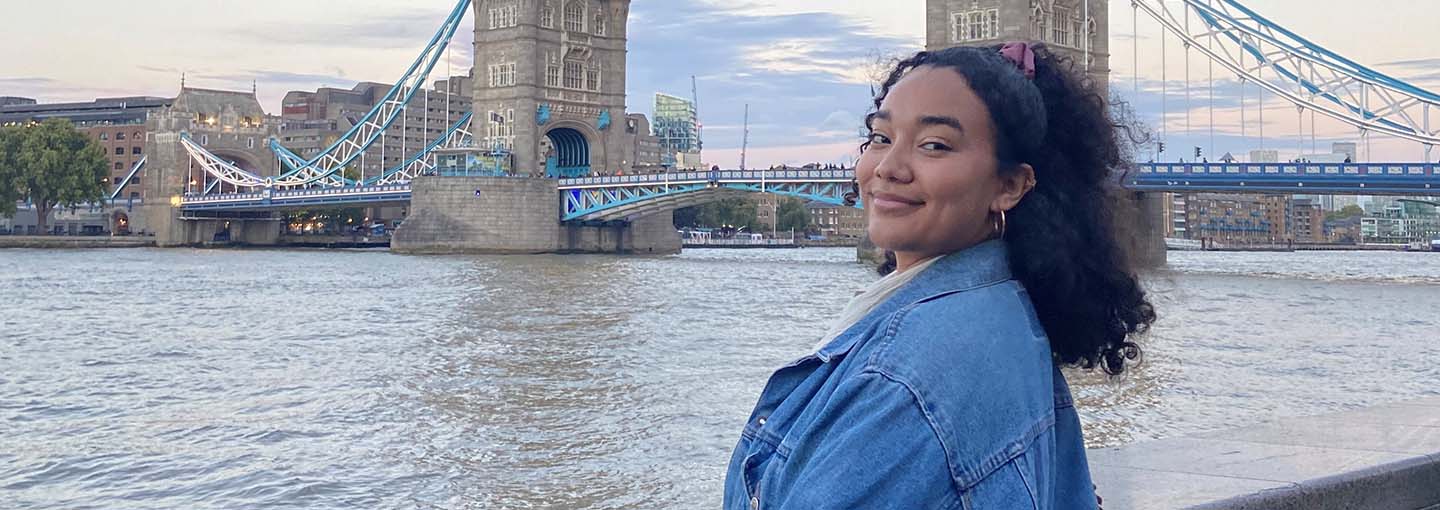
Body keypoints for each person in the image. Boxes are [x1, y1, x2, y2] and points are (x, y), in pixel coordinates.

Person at [724, 42, 1154, 509]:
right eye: (881, 137)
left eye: (935, 145)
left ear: (1009, 185)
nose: (887, 168)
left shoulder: (901, 381)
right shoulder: (1008, 316)